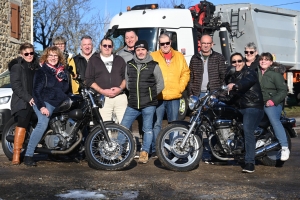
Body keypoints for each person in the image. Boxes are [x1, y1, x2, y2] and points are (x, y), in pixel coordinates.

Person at [24, 46, 70, 166]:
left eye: (56, 55)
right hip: (45, 102)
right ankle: (28, 155)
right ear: (46, 57)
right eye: (51, 55)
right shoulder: (42, 71)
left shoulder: (62, 72)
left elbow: (66, 90)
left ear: (59, 57)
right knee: (43, 122)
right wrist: (42, 107)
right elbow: (36, 91)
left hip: (59, 103)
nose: (53, 58)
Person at [219, 52, 264, 173]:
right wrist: (217, 97)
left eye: (239, 61)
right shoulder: (233, 76)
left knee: (247, 130)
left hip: (253, 106)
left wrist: (235, 85)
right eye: (234, 62)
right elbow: (231, 98)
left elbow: (246, 82)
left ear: (243, 62)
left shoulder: (250, 72)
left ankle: (250, 162)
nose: (237, 63)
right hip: (240, 107)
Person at [120, 40, 164, 164]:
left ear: (147, 51)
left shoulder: (154, 65)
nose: (140, 52)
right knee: (123, 127)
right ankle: (118, 151)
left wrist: (150, 95)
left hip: (149, 104)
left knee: (147, 129)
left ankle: (144, 152)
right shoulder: (129, 64)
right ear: (135, 51)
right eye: (138, 50)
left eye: (142, 49)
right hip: (133, 104)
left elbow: (161, 84)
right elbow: (128, 83)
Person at [151, 33, 190, 155]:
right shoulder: (153, 56)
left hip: (174, 96)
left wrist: (180, 87)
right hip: (158, 96)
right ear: (159, 44)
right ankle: (156, 149)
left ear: (170, 42)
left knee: (174, 124)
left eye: (167, 43)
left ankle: (174, 149)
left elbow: (186, 72)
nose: (165, 46)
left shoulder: (179, 56)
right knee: (156, 124)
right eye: (162, 44)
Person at [9, 42, 39, 165]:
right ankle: (16, 154)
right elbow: (16, 86)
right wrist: (28, 98)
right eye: (26, 53)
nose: (29, 55)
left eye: (31, 53)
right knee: (23, 120)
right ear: (22, 54)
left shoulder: (36, 66)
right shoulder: (18, 67)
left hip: (36, 101)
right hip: (22, 101)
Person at [85, 38, 127, 123]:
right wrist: (102, 91)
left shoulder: (120, 60)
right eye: (104, 45)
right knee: (106, 128)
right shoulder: (93, 60)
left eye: (109, 46)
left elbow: (126, 78)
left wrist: (120, 88)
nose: (107, 48)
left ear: (112, 47)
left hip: (120, 97)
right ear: (100, 47)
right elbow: (89, 80)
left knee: (125, 126)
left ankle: (123, 137)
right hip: (103, 99)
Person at [258, 52, 289, 161]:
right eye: (261, 59)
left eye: (266, 60)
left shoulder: (275, 75)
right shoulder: (256, 73)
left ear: (271, 62)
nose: (263, 61)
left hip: (273, 103)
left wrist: (272, 101)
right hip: (259, 103)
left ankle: (284, 147)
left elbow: (283, 91)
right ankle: (261, 138)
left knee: (274, 119)